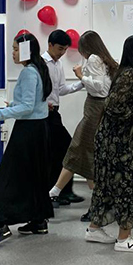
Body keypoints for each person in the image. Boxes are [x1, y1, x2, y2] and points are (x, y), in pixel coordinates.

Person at [0, 33, 54, 251]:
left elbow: (28, 107)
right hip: (38, 130)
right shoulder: (38, 68)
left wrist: (0, 113)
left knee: (7, 177)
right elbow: (33, 103)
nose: (12, 53)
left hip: (28, 131)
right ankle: (38, 220)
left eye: (15, 49)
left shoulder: (29, 72)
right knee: (34, 176)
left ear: (25, 50)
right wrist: (12, 104)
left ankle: (0, 225)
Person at [85, 35, 133, 253]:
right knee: (129, 184)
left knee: (106, 184)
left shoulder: (132, 73)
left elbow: (121, 101)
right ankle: (124, 239)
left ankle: (94, 228)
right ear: (131, 52)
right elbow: (113, 105)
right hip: (115, 141)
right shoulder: (130, 74)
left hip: (111, 137)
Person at [49, 30, 117, 222]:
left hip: (94, 111)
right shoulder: (105, 60)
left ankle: (56, 192)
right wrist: (82, 81)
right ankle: (58, 192)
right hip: (98, 110)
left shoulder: (94, 59)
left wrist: (81, 76)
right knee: (86, 153)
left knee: (78, 149)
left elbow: (98, 87)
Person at [43, 30, 85, 207]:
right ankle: (53, 194)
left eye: (65, 49)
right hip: (43, 114)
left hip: (54, 113)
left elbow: (60, 89)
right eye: (60, 48)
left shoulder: (58, 64)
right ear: (50, 45)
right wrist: (42, 103)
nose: (62, 53)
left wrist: (82, 82)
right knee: (54, 153)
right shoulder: (41, 63)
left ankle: (64, 191)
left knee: (65, 150)